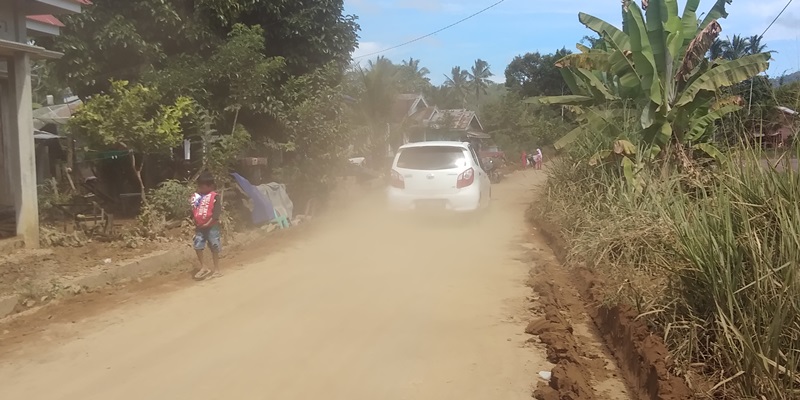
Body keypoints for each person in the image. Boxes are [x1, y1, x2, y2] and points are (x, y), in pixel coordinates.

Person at [191, 172, 222, 279]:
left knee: (214, 246)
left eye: (202, 187)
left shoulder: (215, 197)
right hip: (200, 227)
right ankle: (203, 267)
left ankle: (217, 269)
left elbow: (216, 214)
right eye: (199, 186)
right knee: (197, 246)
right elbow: (195, 211)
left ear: (210, 186)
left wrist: (208, 224)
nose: (200, 189)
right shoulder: (197, 198)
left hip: (212, 227)